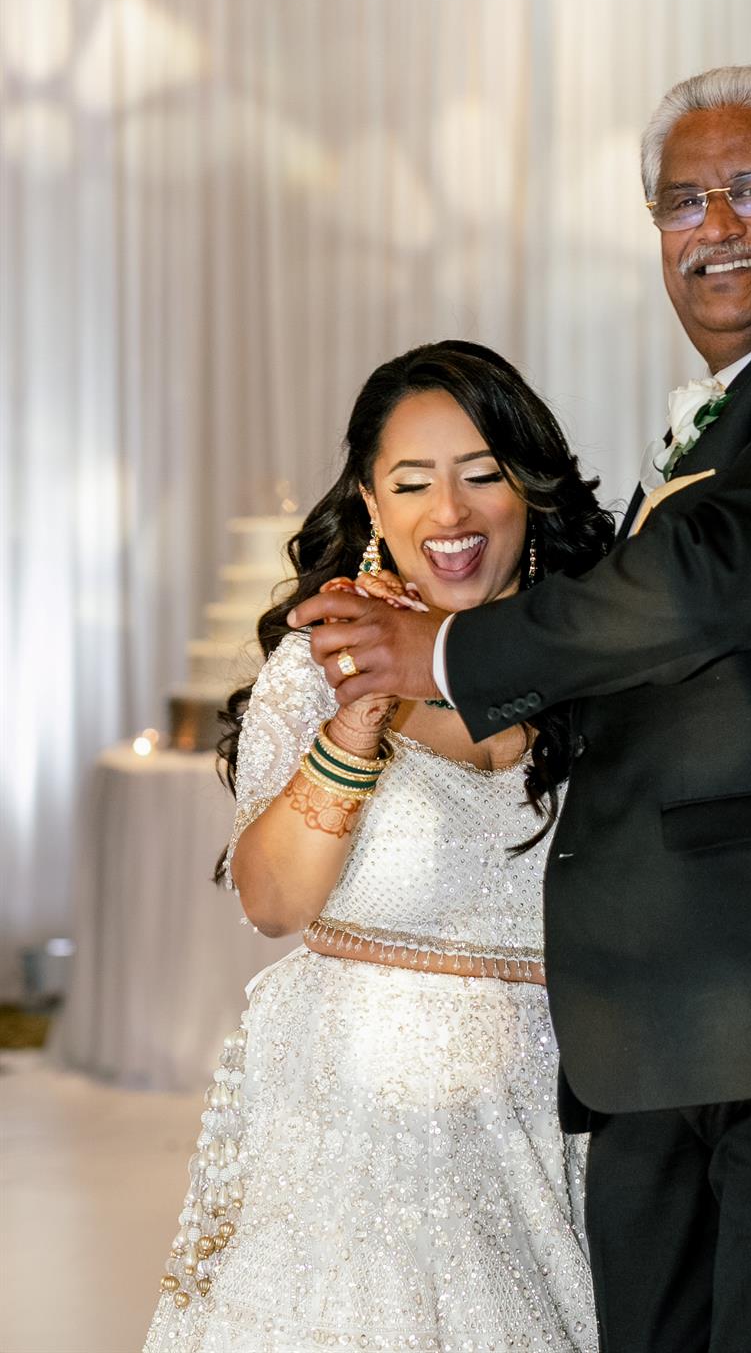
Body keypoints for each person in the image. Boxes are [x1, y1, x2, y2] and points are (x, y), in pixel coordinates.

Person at [292, 66, 751, 1353]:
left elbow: (711, 577)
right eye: (682, 201)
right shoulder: (732, 416)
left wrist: (450, 652)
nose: (715, 225)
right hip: (671, 1020)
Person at [143, 342, 613, 1352]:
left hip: (553, 1123)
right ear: (370, 502)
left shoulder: (606, 670)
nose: (449, 512)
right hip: (353, 1136)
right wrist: (358, 723)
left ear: (531, 490)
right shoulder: (317, 668)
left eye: (482, 473)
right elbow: (272, 903)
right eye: (411, 483)